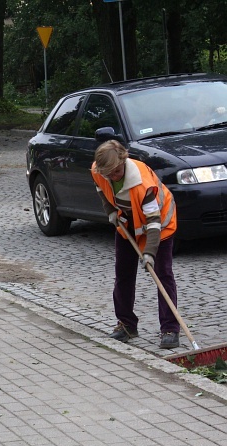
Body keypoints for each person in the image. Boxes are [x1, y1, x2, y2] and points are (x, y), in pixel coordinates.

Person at [91, 140, 180, 349]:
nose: (112, 177)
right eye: (108, 174)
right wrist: (110, 210)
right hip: (127, 222)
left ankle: (170, 328)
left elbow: (153, 221)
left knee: (162, 274)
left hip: (160, 225)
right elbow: (100, 188)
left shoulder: (142, 184)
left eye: (116, 172)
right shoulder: (99, 170)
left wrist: (149, 252)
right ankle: (127, 325)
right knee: (123, 273)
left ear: (124, 160)